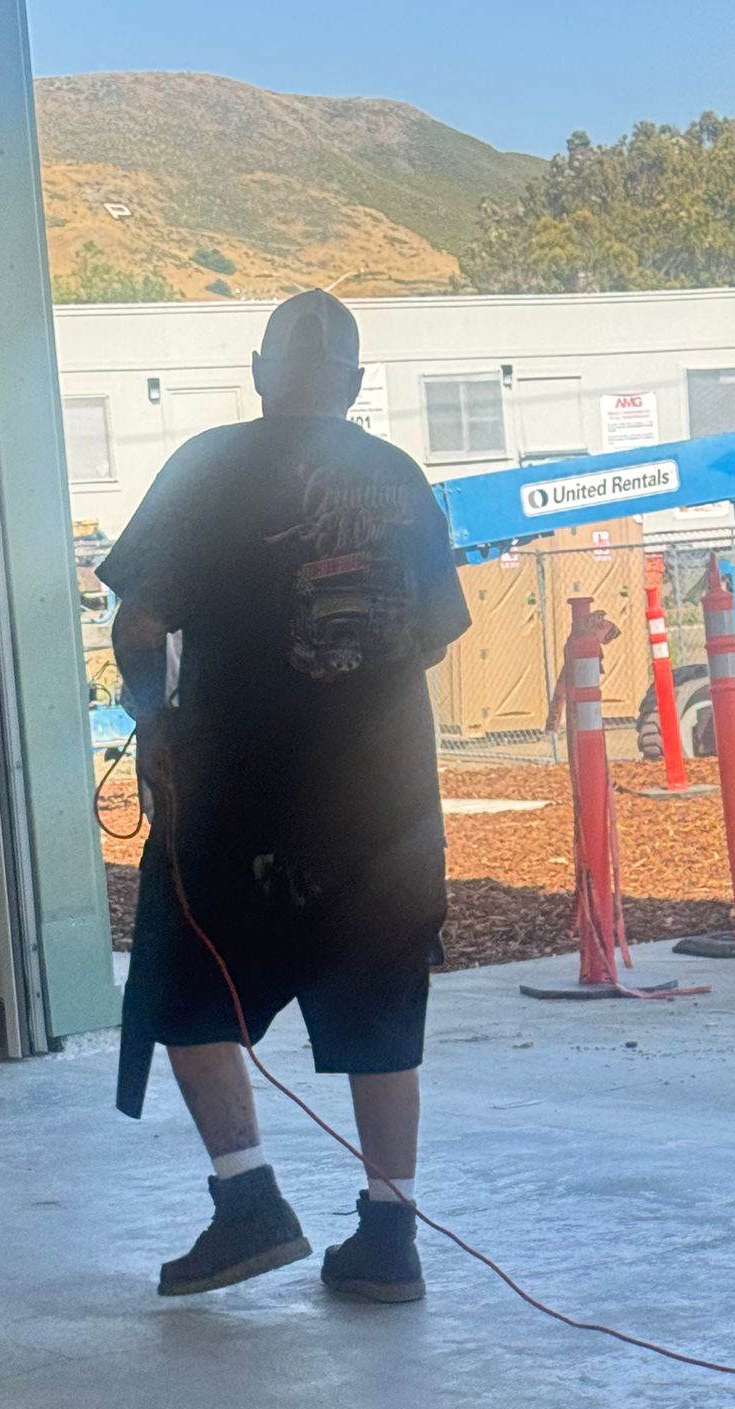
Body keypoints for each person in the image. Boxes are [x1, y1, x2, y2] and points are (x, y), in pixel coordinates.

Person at [102, 289, 472, 1304]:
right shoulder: (396, 477)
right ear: (353, 386)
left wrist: (151, 717)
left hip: (237, 800)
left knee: (184, 989)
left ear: (260, 372)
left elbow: (140, 621)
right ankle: (390, 1235)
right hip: (384, 804)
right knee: (382, 1007)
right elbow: (440, 627)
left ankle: (248, 1198)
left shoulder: (208, 468)